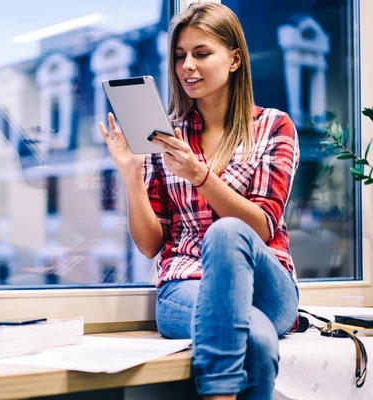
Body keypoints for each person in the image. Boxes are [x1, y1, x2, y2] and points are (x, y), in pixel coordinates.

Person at [98, 3, 300, 400]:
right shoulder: (165, 137)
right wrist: (131, 175)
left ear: (235, 59)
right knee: (256, 339)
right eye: (179, 56)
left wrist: (200, 176)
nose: (187, 65)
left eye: (201, 53)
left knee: (227, 232)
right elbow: (150, 244)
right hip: (184, 286)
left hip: (267, 284)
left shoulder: (274, 127)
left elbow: (260, 228)